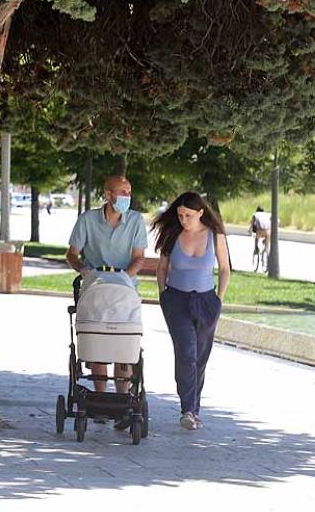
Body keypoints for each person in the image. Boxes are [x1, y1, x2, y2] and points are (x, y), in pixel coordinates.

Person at [65, 175, 147, 430]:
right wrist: (85, 270)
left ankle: (123, 398)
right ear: (108, 194)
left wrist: (125, 276)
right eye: (121, 191)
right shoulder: (88, 220)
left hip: (124, 288)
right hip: (95, 285)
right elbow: (72, 254)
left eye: (129, 191)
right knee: (99, 337)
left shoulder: (135, 221)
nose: (126, 196)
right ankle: (100, 398)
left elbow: (139, 257)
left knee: (122, 341)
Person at [153, 191, 232, 431]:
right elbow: (162, 267)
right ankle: (187, 409)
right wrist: (163, 295)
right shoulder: (173, 234)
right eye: (179, 215)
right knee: (186, 353)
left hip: (207, 301)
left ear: (200, 213)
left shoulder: (215, 235)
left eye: (188, 215)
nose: (183, 219)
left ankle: (194, 409)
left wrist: (219, 299)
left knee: (200, 357)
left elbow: (225, 268)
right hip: (176, 300)